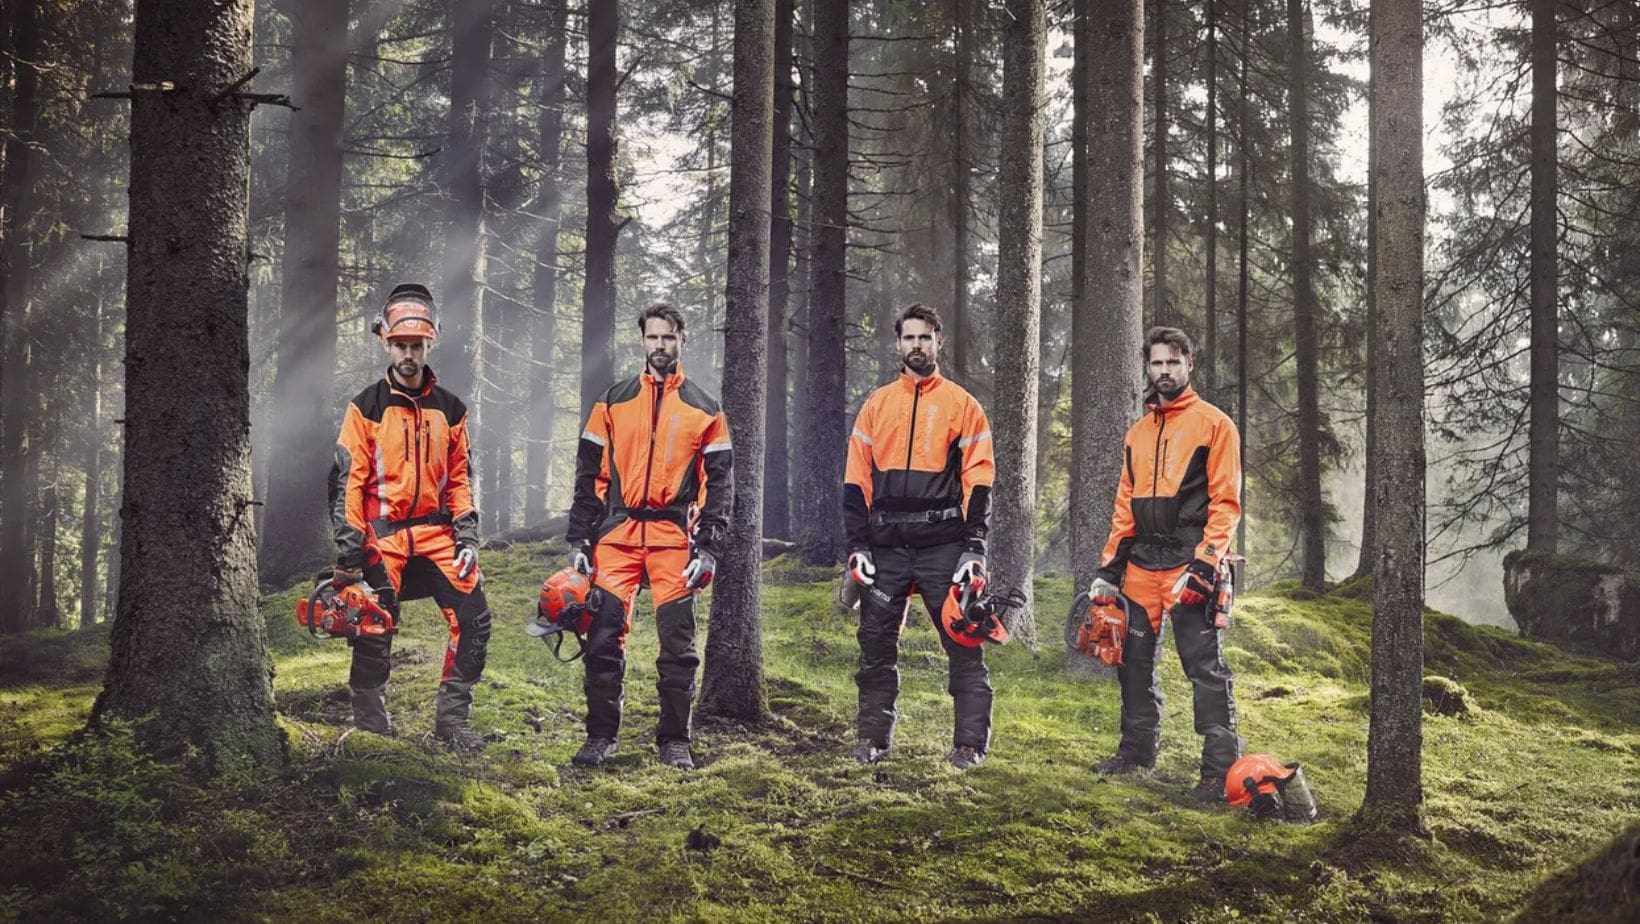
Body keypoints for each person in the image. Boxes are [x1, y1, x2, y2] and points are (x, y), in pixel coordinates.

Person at [563, 302, 733, 770]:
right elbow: (588, 475)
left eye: (669, 337)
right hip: (616, 533)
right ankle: (600, 736)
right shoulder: (613, 400)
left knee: (678, 647)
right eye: (653, 337)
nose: (660, 345)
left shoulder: (704, 408)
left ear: (682, 340)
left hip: (674, 537)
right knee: (602, 639)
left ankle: (675, 740)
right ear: (642, 341)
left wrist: (710, 547)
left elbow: (719, 484)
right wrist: (580, 540)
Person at [329, 283, 490, 752]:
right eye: (401, 345)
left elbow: (460, 480)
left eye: (416, 346)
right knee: (373, 622)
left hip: (439, 533)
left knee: (475, 619)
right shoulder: (366, 407)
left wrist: (467, 537)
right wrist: (350, 549)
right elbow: (348, 484)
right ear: (386, 342)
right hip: (382, 537)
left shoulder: (452, 410)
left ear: (429, 344)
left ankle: (453, 721)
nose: (408, 355)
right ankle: (372, 729)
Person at [1087, 326, 1244, 801]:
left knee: (1204, 667)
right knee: (1131, 662)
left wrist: (1207, 562)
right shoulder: (1136, 433)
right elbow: (1123, 507)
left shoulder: (1214, 424)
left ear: (1189, 365)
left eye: (1173, 362)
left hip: (1188, 563)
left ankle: (1219, 769)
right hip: (1140, 565)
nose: (1164, 371)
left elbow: (1227, 502)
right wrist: (1108, 570)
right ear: (1148, 368)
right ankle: (1136, 751)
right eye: (1156, 363)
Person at [842, 303, 996, 770]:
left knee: (964, 642)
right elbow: (856, 479)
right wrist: (857, 545)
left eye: (924, 337)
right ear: (898, 344)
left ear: (938, 342)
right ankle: (872, 739)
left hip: (943, 543)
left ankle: (969, 745)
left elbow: (980, 478)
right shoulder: (877, 404)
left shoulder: (963, 405)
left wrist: (974, 546)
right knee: (875, 644)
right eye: (909, 338)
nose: (916, 346)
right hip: (886, 543)